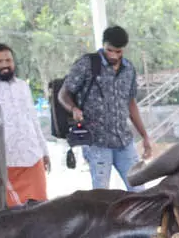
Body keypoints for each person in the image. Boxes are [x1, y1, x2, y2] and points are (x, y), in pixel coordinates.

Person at [58, 25, 154, 190]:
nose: (114, 55)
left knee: (139, 189)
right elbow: (63, 94)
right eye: (110, 50)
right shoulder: (87, 64)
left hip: (124, 141)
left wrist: (145, 136)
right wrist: (73, 109)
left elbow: (131, 104)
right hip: (96, 141)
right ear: (103, 45)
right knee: (101, 192)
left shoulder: (129, 69)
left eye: (118, 51)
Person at [0, 43, 50, 205]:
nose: (5, 65)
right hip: (6, 161)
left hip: (33, 157)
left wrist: (44, 151)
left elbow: (33, 120)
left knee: (41, 207)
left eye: (8, 60)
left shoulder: (23, 86)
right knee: (14, 212)